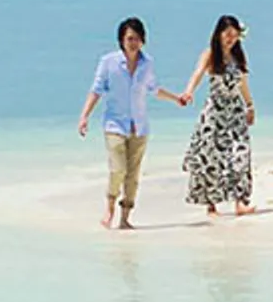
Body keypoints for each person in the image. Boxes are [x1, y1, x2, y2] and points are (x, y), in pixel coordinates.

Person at [76, 17, 191, 230]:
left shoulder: (147, 64)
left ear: (142, 40)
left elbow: (154, 89)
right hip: (114, 125)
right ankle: (110, 207)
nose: (133, 42)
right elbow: (96, 90)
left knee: (133, 175)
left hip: (139, 127)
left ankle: (125, 217)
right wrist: (84, 116)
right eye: (129, 38)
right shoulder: (108, 62)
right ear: (121, 40)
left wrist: (177, 99)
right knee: (118, 169)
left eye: (137, 38)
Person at [181, 15, 259, 217]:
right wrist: (188, 92)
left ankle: (240, 203)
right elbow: (197, 74)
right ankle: (211, 205)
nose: (231, 39)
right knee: (212, 159)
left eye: (234, 35)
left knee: (240, 155)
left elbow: (243, 84)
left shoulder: (239, 57)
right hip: (214, 114)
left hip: (235, 113)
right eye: (227, 35)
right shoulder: (209, 55)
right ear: (218, 34)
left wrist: (250, 106)